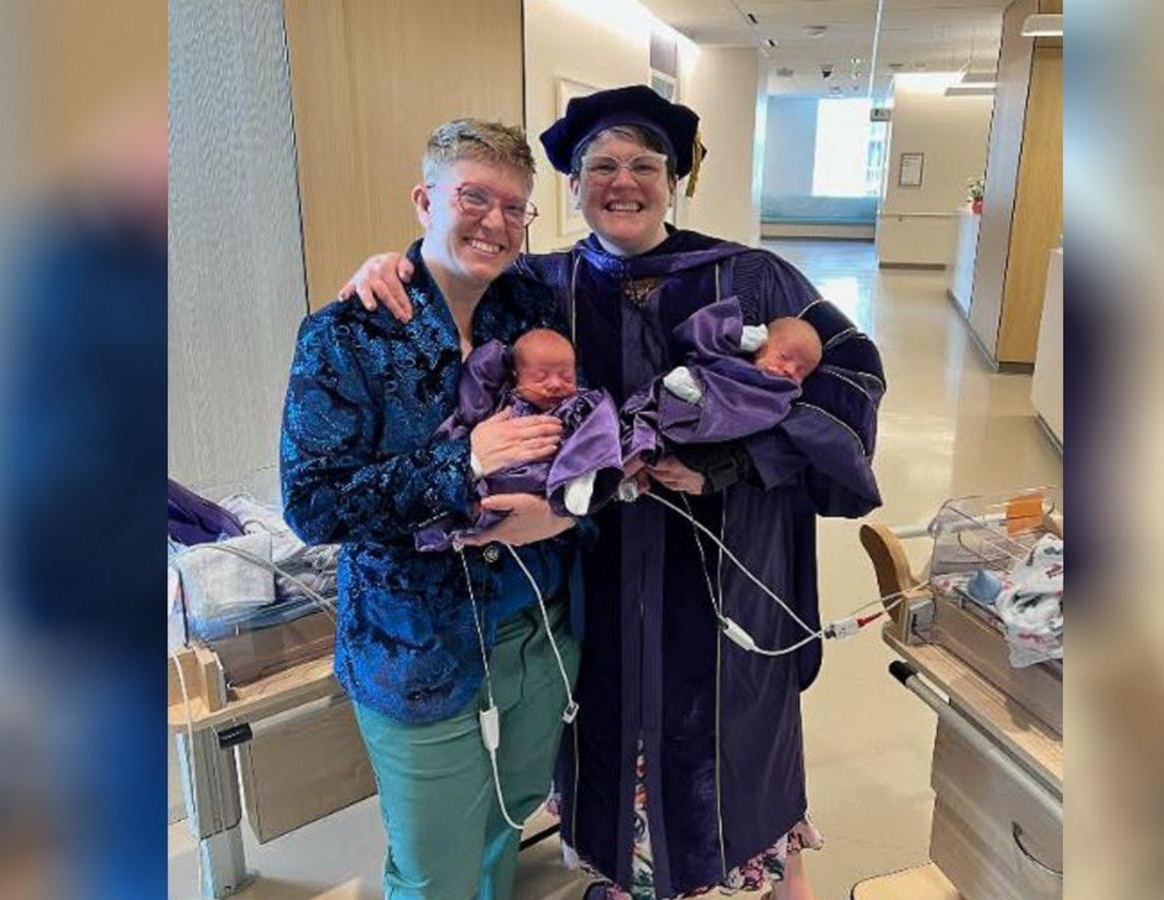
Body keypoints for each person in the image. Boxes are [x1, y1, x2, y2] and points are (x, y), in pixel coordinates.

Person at [340, 86, 885, 900]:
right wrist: (389, 263)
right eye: (601, 165)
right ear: (574, 184)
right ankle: (627, 877)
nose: (622, 182)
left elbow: (850, 373)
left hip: (722, 562)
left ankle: (747, 870)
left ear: (675, 181)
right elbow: (447, 280)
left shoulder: (752, 276)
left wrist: (733, 468)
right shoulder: (540, 287)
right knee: (604, 725)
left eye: (643, 165)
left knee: (728, 738)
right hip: (590, 574)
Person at [280, 119, 590, 900]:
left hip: (534, 631)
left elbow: (595, 424)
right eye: (472, 197)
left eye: (515, 207)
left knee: (506, 821)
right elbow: (313, 506)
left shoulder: (535, 303)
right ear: (425, 200)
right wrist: (467, 461)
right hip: (416, 648)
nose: (494, 221)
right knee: (433, 870)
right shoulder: (345, 335)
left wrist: (571, 512)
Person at [414, 328, 625, 552]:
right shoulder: (504, 401)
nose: (555, 384)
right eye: (540, 377)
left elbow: (602, 431)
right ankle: (458, 526)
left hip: (552, 476)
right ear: (516, 377)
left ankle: (580, 476)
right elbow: (473, 401)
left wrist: (557, 517)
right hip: (495, 474)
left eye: (567, 377)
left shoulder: (576, 405)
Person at [620, 300, 824, 467]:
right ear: (762, 343)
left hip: (699, 417)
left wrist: (704, 399)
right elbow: (695, 342)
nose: (790, 370)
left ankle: (618, 476)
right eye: (784, 356)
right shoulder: (738, 358)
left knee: (646, 441)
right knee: (633, 426)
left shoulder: (778, 397)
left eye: (801, 370)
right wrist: (734, 338)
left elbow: (746, 415)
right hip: (674, 393)